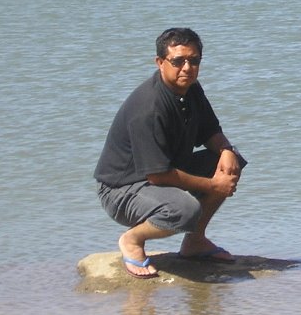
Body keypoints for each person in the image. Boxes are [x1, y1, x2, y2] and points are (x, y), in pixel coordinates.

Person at [94, 28, 247, 278]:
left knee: (231, 164)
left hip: (161, 172)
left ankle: (195, 242)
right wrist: (213, 185)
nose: (187, 68)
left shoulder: (191, 88)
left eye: (194, 60)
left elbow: (210, 131)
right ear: (160, 62)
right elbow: (158, 175)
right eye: (178, 61)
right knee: (185, 210)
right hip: (120, 189)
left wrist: (227, 151)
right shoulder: (149, 108)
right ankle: (132, 240)